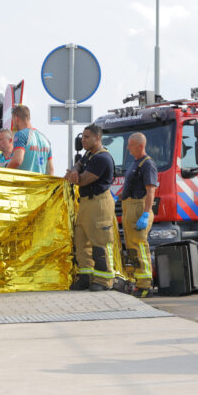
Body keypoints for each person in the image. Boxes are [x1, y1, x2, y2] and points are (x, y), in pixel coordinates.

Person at [64, 124, 116, 292]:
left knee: (100, 242)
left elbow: (84, 180)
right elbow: (78, 166)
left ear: (97, 138)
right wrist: (74, 170)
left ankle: (104, 280)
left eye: (87, 137)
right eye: (82, 137)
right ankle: (86, 277)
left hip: (98, 203)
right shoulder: (88, 155)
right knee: (82, 241)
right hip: (86, 203)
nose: (83, 140)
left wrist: (74, 176)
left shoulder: (102, 158)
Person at [120, 132, 158, 297]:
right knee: (132, 246)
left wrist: (145, 213)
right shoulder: (136, 163)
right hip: (130, 207)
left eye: (130, 145)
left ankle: (145, 285)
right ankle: (137, 281)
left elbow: (150, 191)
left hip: (139, 207)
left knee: (140, 247)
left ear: (140, 146)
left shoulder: (147, 164)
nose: (127, 148)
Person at [6, 105, 54, 174]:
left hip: (24, 183)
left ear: (16, 118)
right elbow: (51, 170)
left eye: (13, 120)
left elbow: (17, 160)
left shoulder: (20, 135)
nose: (13, 124)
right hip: (40, 183)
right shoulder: (45, 139)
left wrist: (4, 173)